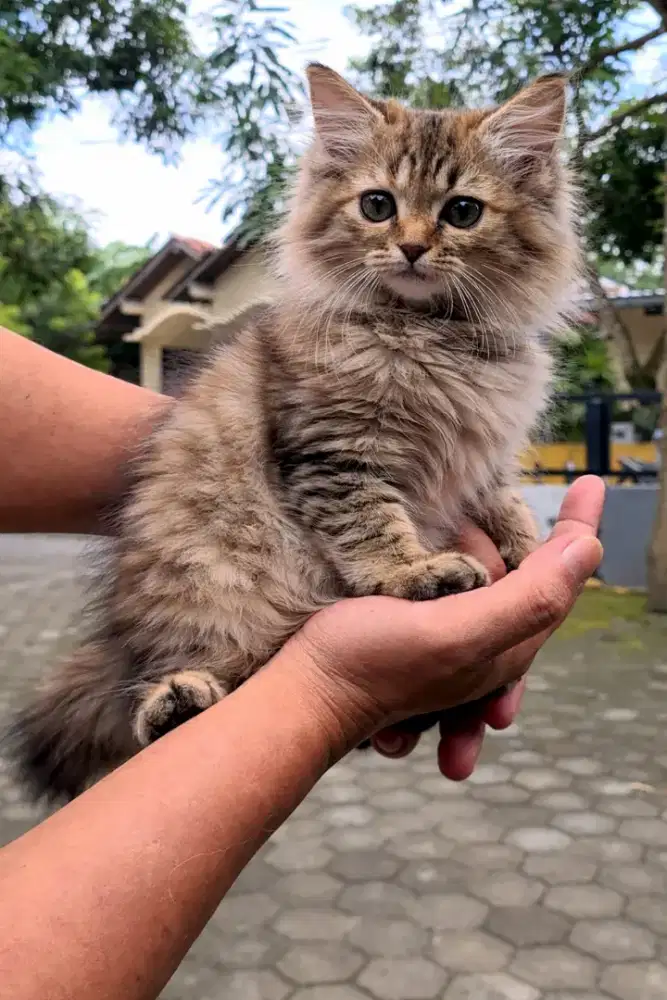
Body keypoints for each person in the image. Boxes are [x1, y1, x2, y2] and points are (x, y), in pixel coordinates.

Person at [0, 329, 604, 1000]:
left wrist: (506, 529)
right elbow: (335, 463)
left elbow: (447, 467)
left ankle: (203, 697)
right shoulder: (324, 337)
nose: (409, 240)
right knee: (199, 591)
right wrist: (331, 685)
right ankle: (201, 679)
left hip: (306, 549)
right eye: (377, 211)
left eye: (461, 213)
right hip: (228, 589)